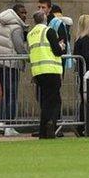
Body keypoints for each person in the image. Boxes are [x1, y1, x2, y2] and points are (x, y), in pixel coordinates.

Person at [0, 4, 29, 136]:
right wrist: (28, 57)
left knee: (5, 94)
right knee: (12, 94)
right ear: (16, 14)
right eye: (22, 13)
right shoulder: (16, 28)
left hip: (0, 63)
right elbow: (19, 47)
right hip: (11, 64)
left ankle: (2, 122)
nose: (25, 15)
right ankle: (9, 126)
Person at [27, 11, 64, 139]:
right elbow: (57, 51)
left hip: (38, 71)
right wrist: (61, 46)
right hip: (51, 69)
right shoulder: (49, 31)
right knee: (55, 101)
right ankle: (50, 123)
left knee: (45, 101)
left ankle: (43, 130)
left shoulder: (31, 34)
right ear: (45, 19)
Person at [73, 14, 89, 136]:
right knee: (86, 99)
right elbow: (87, 57)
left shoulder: (78, 40)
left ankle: (81, 125)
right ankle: (82, 125)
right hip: (86, 74)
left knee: (83, 98)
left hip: (81, 73)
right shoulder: (86, 40)